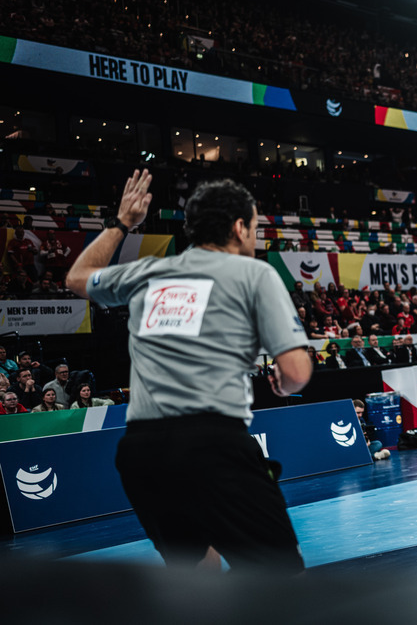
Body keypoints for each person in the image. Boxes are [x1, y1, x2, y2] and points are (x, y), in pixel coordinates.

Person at [66, 171, 311, 573]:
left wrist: (121, 223)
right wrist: (285, 384)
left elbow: (76, 279)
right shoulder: (255, 273)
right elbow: (297, 371)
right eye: (254, 227)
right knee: (280, 584)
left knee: (197, 583)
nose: (255, 237)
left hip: (142, 453)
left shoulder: (147, 271)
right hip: (214, 446)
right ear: (238, 227)